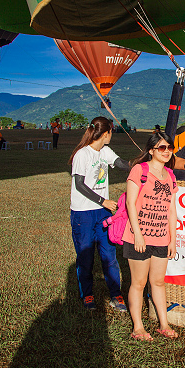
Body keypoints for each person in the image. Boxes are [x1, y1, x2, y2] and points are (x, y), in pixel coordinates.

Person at [69, 116, 131, 312]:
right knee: (85, 257)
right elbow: (79, 184)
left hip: (103, 213)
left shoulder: (105, 151)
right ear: (106, 133)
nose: (111, 135)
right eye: (111, 132)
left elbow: (121, 164)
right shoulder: (82, 154)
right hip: (83, 214)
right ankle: (87, 294)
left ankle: (115, 295)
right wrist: (103, 201)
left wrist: (143, 163)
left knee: (109, 255)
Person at [122, 131, 179, 341]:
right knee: (138, 283)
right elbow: (130, 203)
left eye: (169, 147)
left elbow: (172, 211)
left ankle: (164, 324)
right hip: (139, 237)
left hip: (161, 238)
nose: (166, 151)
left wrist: (172, 239)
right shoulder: (140, 170)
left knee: (158, 282)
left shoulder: (170, 175)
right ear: (151, 150)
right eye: (161, 148)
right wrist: (137, 234)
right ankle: (138, 327)